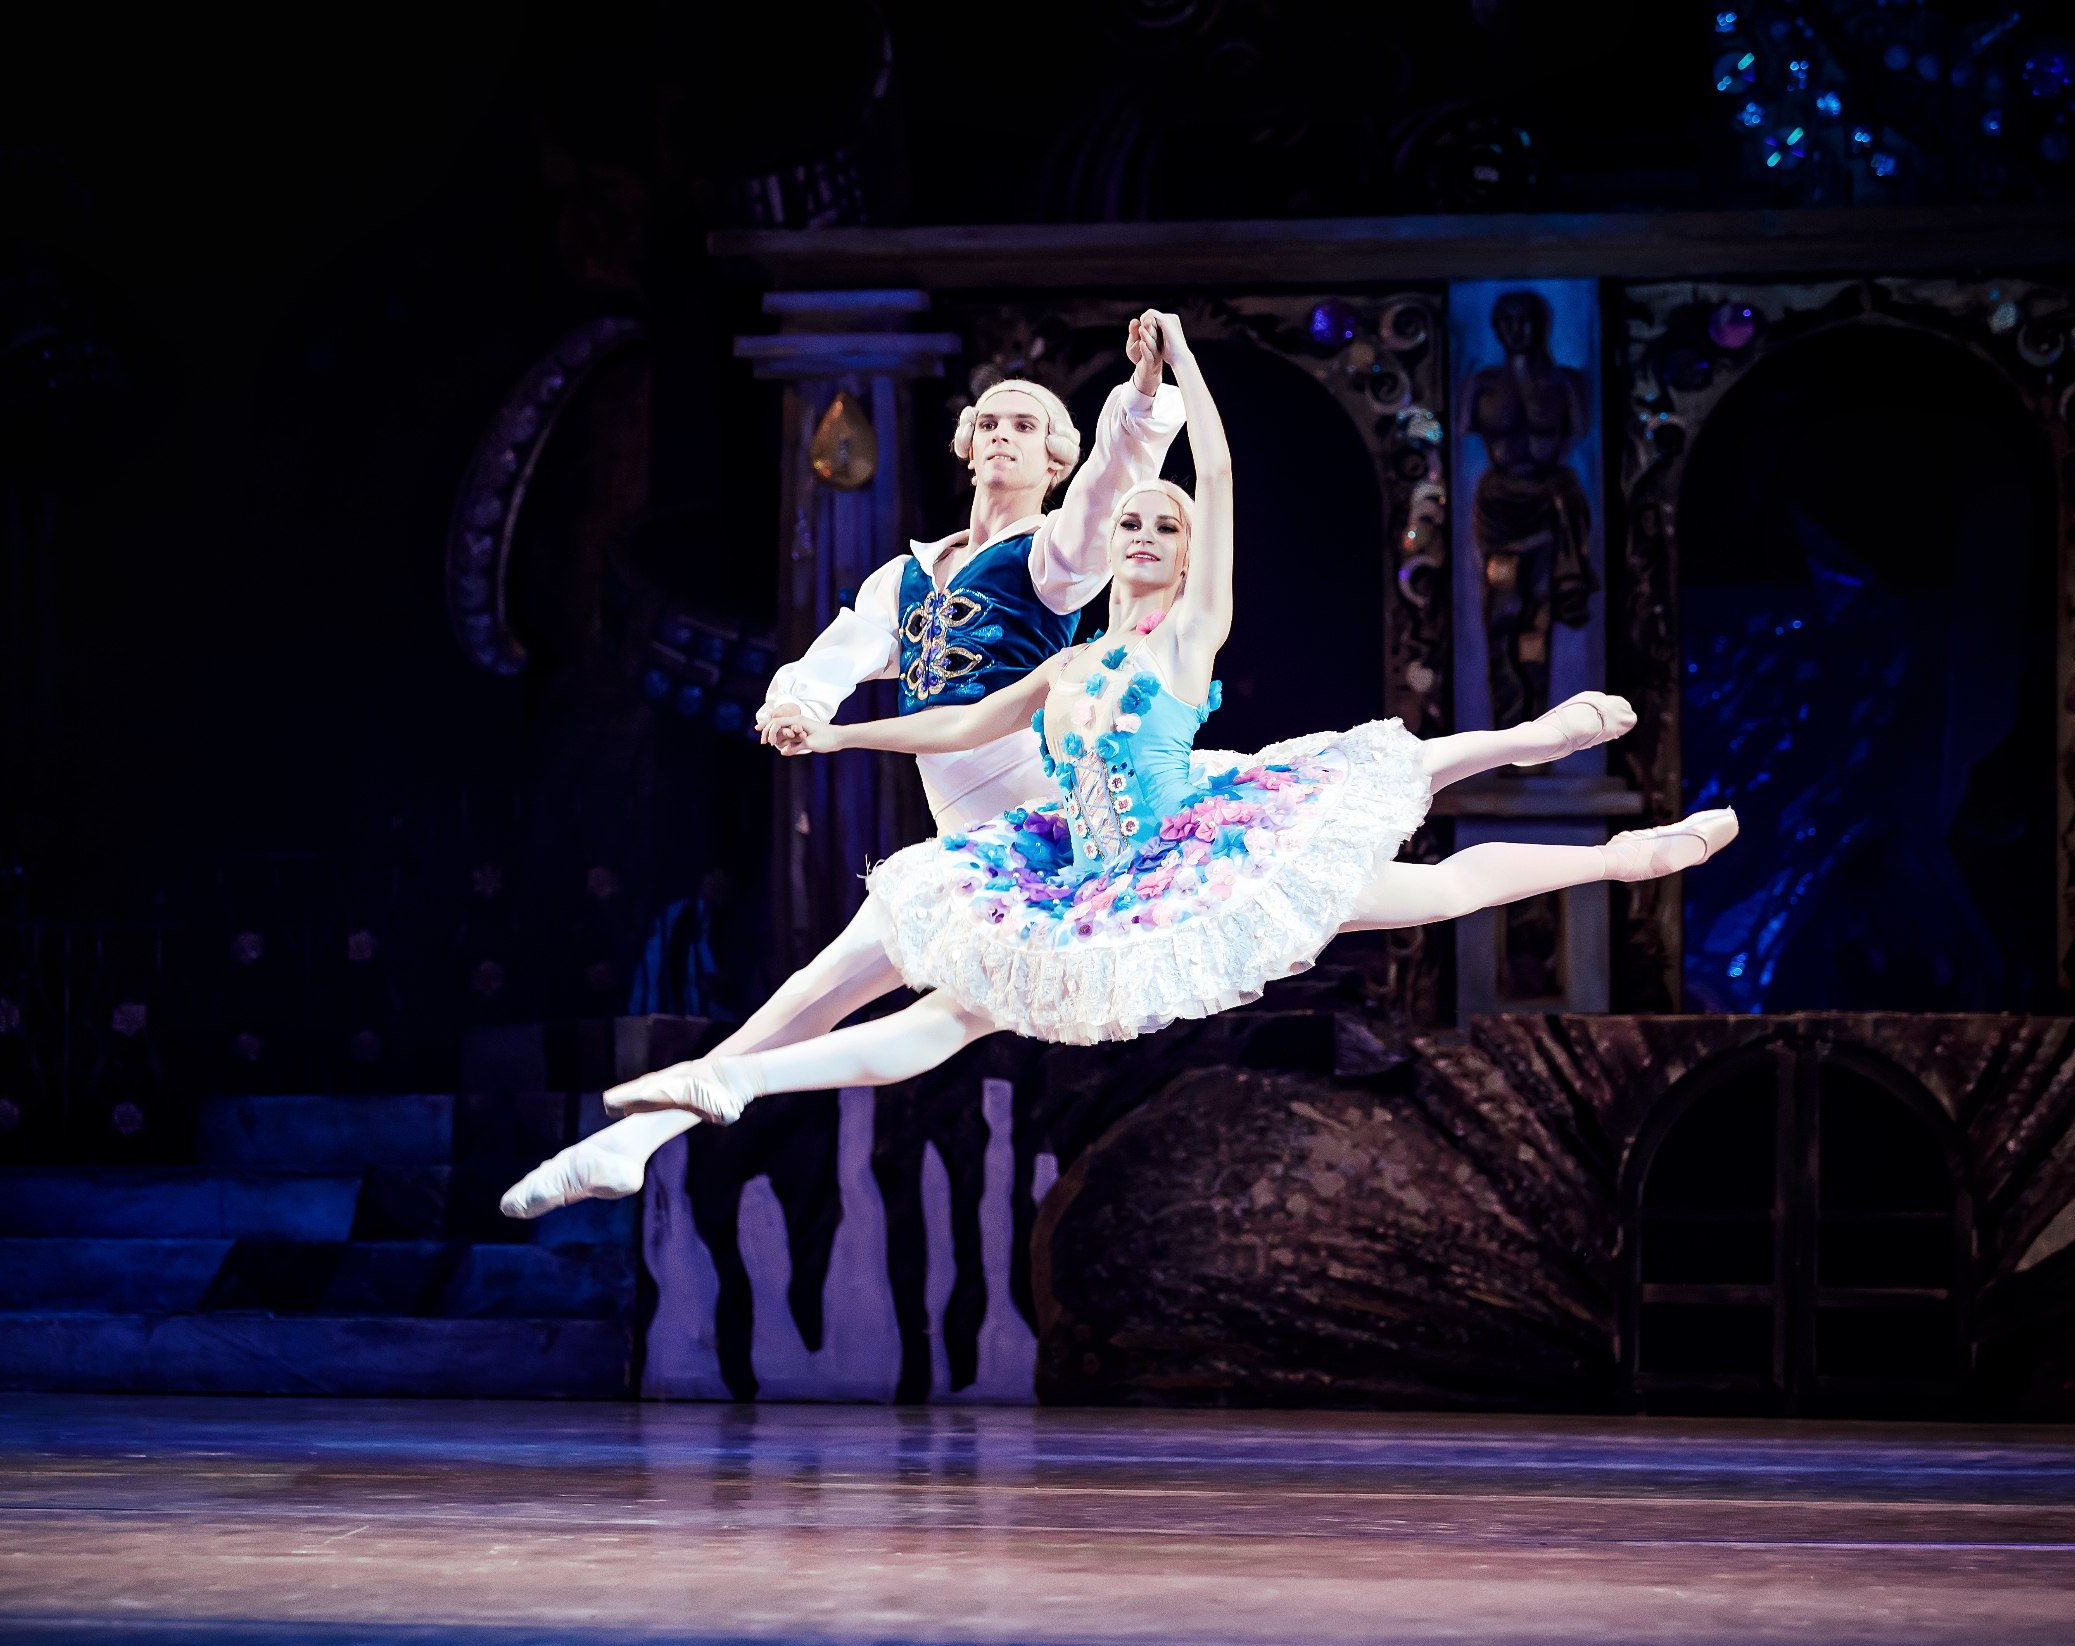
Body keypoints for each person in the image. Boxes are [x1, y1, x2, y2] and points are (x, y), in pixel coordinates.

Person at [581, 312, 1736, 1133]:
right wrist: (828, 733)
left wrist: (1171, 372)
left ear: (1178, 552)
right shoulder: (1072, 661)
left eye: (1155, 527)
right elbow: (951, 724)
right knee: (943, 1020)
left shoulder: (1189, 627)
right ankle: (729, 1084)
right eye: (1131, 524)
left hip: (1201, 851)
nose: (1136, 535)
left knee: (1423, 853)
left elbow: (1205, 473)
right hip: (1085, 878)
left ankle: (1606, 827)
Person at [499, 321, 1185, 1217]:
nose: (1004, 435)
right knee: (808, 998)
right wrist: (798, 705)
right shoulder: (902, 579)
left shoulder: (1054, 559)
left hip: (1049, 832)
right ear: (968, 444)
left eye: (1026, 424)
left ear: (1053, 456)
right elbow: (840, 654)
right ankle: (635, 1140)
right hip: (968, 848)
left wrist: (1137, 395)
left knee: (915, 1023)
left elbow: (1108, 490)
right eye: (991, 422)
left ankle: (664, 1121)